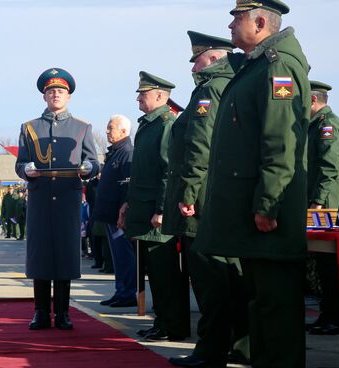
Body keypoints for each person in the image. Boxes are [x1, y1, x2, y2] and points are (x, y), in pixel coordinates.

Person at [194, 1, 311, 366]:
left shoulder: (278, 67)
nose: (230, 26)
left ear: (260, 22)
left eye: (237, 18)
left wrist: (268, 203)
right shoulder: (257, 66)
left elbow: (280, 143)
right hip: (250, 212)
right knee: (262, 304)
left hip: (266, 216)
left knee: (276, 308)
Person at [164, 31, 248, 368]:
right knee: (230, 280)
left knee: (210, 282)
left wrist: (187, 194)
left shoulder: (211, 89)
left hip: (201, 201)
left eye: (197, 60)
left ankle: (210, 351)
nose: (193, 68)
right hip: (220, 196)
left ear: (214, 58)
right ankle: (241, 346)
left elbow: (200, 146)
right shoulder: (234, 83)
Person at [15, 67, 99, 331]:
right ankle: (40, 312)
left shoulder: (82, 127)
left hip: (66, 199)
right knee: (40, 256)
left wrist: (89, 168)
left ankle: (62, 312)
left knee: (64, 255)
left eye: (60, 91)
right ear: (44, 96)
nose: (55, 95)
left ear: (68, 96)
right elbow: (20, 164)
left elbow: (94, 162)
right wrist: (26, 169)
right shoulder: (29, 127)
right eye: (51, 91)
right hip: (40, 200)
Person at [118, 71, 190, 342]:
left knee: (166, 276)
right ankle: (162, 322)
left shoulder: (165, 124)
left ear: (160, 96)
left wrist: (161, 209)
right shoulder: (149, 124)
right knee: (157, 276)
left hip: (157, 216)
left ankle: (173, 327)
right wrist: (128, 203)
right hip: (144, 212)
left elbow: (168, 172)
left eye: (143, 93)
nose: (138, 98)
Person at [306, 80, 339, 336]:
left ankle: (337, 316)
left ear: (312, 101)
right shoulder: (314, 125)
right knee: (322, 264)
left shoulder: (327, 125)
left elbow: (329, 167)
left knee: (330, 264)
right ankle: (328, 313)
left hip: (326, 207)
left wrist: (317, 202)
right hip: (319, 204)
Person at [93, 115, 136, 307]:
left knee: (124, 255)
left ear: (124, 131)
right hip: (110, 214)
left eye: (111, 128)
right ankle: (121, 291)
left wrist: (123, 212)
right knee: (117, 257)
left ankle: (127, 293)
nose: (107, 131)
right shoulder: (115, 152)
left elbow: (127, 186)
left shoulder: (126, 152)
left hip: (119, 216)